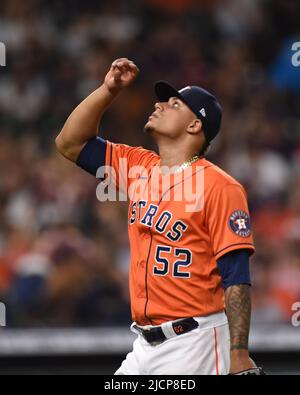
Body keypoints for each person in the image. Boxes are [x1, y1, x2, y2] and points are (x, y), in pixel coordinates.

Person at [55, 58, 265, 375]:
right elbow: (69, 143)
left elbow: (236, 277)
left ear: (195, 125)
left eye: (174, 104)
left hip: (196, 342)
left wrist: (238, 354)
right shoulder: (139, 168)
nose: (160, 105)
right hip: (143, 344)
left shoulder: (221, 187)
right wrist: (108, 90)